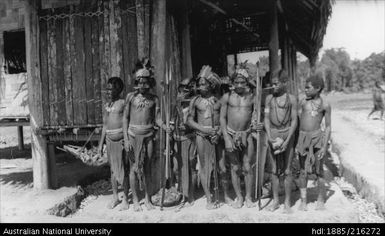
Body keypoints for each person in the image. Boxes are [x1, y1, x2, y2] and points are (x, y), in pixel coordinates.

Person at [123, 60, 167, 212]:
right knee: (134, 168)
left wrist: (165, 126)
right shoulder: (130, 97)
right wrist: (126, 138)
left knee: (147, 168)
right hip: (133, 135)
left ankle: (147, 198)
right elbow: (125, 119)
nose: (142, 85)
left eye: (145, 82)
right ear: (136, 82)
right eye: (139, 82)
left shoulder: (154, 99)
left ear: (149, 82)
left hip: (148, 136)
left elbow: (158, 119)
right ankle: (135, 200)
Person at [187, 65, 231, 210]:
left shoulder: (219, 100)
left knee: (222, 168)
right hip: (202, 137)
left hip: (217, 137)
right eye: (199, 84)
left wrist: (217, 133)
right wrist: (204, 130)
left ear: (211, 85)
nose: (200, 87)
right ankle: (208, 199)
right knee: (205, 168)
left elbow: (225, 119)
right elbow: (189, 120)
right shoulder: (195, 101)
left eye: (203, 84)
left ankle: (225, 196)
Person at [220, 67, 262, 208]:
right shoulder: (227, 97)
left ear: (246, 82)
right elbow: (222, 118)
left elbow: (256, 115)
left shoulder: (252, 98)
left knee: (247, 167)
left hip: (247, 134)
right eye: (236, 82)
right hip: (231, 135)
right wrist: (226, 138)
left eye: (242, 82)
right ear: (233, 82)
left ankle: (248, 197)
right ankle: (239, 197)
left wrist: (257, 124)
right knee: (235, 167)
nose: (239, 85)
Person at [264, 70, 298, 213]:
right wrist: (270, 136)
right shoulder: (269, 99)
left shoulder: (292, 99)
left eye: (276, 83)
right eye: (272, 84)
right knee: (274, 171)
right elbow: (265, 118)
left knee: (288, 170)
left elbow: (294, 120)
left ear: (285, 83)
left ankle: (287, 203)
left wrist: (288, 140)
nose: (273, 86)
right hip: (273, 133)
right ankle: (276, 201)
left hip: (287, 134)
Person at [297, 74, 331, 211]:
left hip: (317, 138)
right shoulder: (303, 102)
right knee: (303, 171)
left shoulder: (325, 105)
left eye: (308, 87)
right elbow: (298, 121)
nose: (305, 89)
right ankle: (303, 201)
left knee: (319, 171)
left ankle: (321, 200)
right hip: (303, 138)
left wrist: (324, 146)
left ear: (317, 88)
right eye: (305, 87)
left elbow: (328, 126)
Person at [98, 77, 129, 210]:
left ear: (119, 89)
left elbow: (126, 121)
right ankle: (115, 197)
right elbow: (105, 125)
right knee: (112, 171)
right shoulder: (107, 105)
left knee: (123, 169)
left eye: (111, 89)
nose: (108, 91)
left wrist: (127, 139)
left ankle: (126, 199)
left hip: (121, 140)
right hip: (109, 140)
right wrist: (100, 145)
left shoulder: (123, 103)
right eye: (107, 89)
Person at [172, 77, 198, 209]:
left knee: (191, 165)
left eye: (186, 89)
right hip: (177, 138)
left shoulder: (194, 103)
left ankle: (191, 194)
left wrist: (189, 126)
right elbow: (171, 120)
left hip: (190, 137)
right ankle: (182, 192)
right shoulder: (176, 103)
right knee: (177, 168)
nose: (183, 92)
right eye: (181, 89)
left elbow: (198, 122)